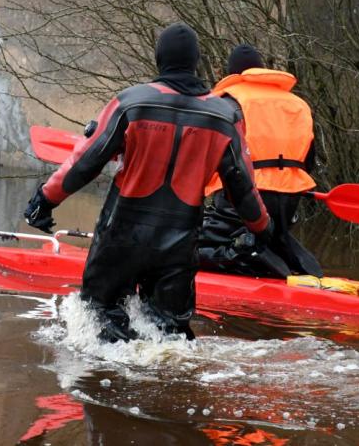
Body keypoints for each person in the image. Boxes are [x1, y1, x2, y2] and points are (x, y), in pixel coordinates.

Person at [23, 23, 272, 342]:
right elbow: (242, 186)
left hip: (122, 233)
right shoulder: (226, 116)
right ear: (196, 61)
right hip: (180, 241)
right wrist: (262, 229)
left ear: (159, 59)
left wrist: (44, 200)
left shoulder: (131, 102)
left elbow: (86, 162)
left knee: (99, 319)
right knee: (170, 333)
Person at [198, 43, 322, 278]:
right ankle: (278, 259)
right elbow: (309, 161)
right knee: (273, 236)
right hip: (288, 201)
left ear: (232, 73)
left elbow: (209, 159)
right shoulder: (298, 105)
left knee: (185, 248)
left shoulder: (228, 102)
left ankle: (243, 251)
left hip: (243, 198)